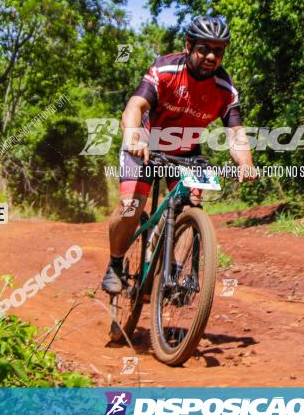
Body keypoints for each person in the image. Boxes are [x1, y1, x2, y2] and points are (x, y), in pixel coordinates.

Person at [102, 16, 257, 294]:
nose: (211, 56)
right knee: (131, 205)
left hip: (187, 152)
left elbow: (236, 133)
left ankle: (172, 272)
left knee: (191, 205)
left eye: (218, 51)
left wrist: (246, 162)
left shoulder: (226, 88)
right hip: (146, 143)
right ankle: (114, 264)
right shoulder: (165, 68)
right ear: (188, 45)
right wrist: (134, 136)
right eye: (204, 49)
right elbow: (134, 107)